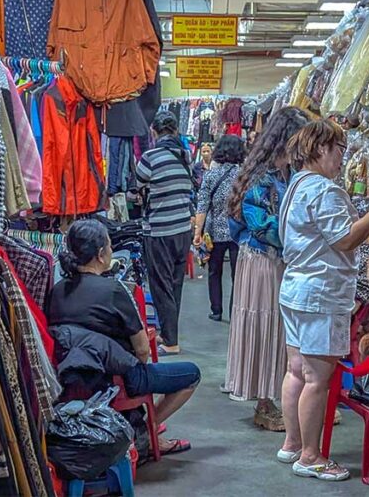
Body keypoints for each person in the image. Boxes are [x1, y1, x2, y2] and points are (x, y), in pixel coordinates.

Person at [276, 120, 369, 481]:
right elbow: (344, 239)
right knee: (317, 377)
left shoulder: (296, 185)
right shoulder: (325, 191)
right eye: (340, 149)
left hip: (298, 288)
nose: (343, 157)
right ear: (321, 148)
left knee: (296, 370)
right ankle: (310, 455)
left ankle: (293, 443)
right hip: (320, 294)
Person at [48, 219, 200, 455]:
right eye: (109, 247)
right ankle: (147, 430)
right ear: (100, 255)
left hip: (75, 375)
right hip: (118, 377)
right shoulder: (114, 291)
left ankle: (142, 426)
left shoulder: (57, 290)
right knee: (191, 374)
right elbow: (142, 350)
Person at [225, 106, 309, 431]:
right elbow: (261, 225)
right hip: (262, 260)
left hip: (275, 259)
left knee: (277, 327)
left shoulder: (283, 173)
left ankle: (277, 395)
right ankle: (265, 401)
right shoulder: (264, 177)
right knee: (266, 325)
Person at [136, 111, 194, 356]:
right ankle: (170, 334)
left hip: (159, 230)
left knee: (161, 285)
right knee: (175, 284)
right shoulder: (186, 156)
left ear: (154, 132)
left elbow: (136, 187)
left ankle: (170, 340)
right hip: (183, 229)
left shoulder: (150, 157)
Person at [192, 135, 245, 322]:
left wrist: (197, 233)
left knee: (214, 271)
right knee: (237, 274)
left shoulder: (210, 175)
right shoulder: (244, 174)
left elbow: (202, 206)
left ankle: (216, 310)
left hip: (213, 231)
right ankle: (235, 311)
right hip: (238, 230)